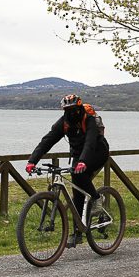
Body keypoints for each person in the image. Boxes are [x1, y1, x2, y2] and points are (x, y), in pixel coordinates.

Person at [25, 94, 109, 247]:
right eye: (67, 110)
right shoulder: (64, 122)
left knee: (81, 174)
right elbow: (48, 140)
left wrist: (83, 162)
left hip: (98, 151)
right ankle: (78, 232)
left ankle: (97, 198)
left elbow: (90, 142)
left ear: (79, 108)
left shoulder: (88, 119)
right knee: (77, 191)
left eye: (73, 109)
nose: (71, 113)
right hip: (79, 155)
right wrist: (32, 160)